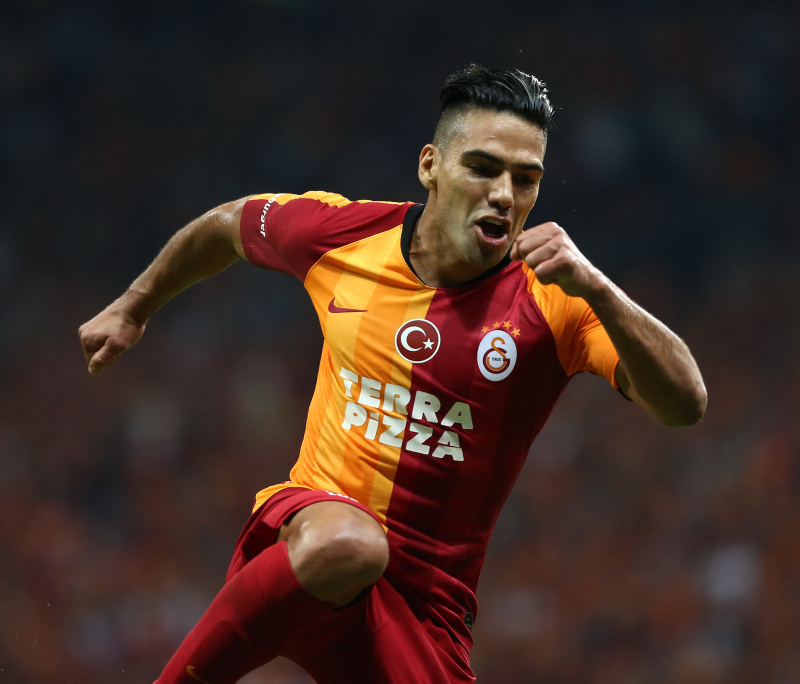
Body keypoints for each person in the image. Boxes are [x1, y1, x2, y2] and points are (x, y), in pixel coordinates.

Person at [78, 64, 706, 683]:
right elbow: (230, 225)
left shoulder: (558, 301)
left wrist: (598, 286)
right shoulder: (343, 236)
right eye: (483, 168)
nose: (504, 195)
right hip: (310, 541)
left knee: (364, 559)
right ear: (431, 166)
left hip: (424, 611)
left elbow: (685, 403)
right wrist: (133, 306)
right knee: (352, 546)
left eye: (525, 179)